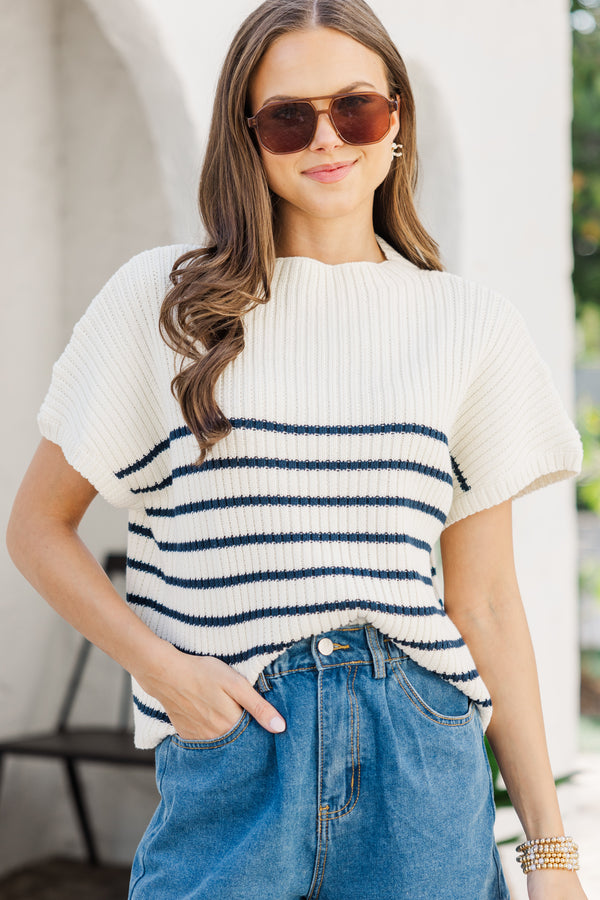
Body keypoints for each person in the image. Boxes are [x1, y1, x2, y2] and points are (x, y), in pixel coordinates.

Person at [6, 1, 588, 898]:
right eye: (288, 116)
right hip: (236, 753)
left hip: (419, 759)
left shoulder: (466, 325)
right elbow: (38, 529)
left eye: (356, 107)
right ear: (249, 137)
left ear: (397, 119)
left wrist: (550, 853)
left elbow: (486, 601)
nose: (327, 138)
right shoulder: (161, 307)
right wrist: (165, 672)